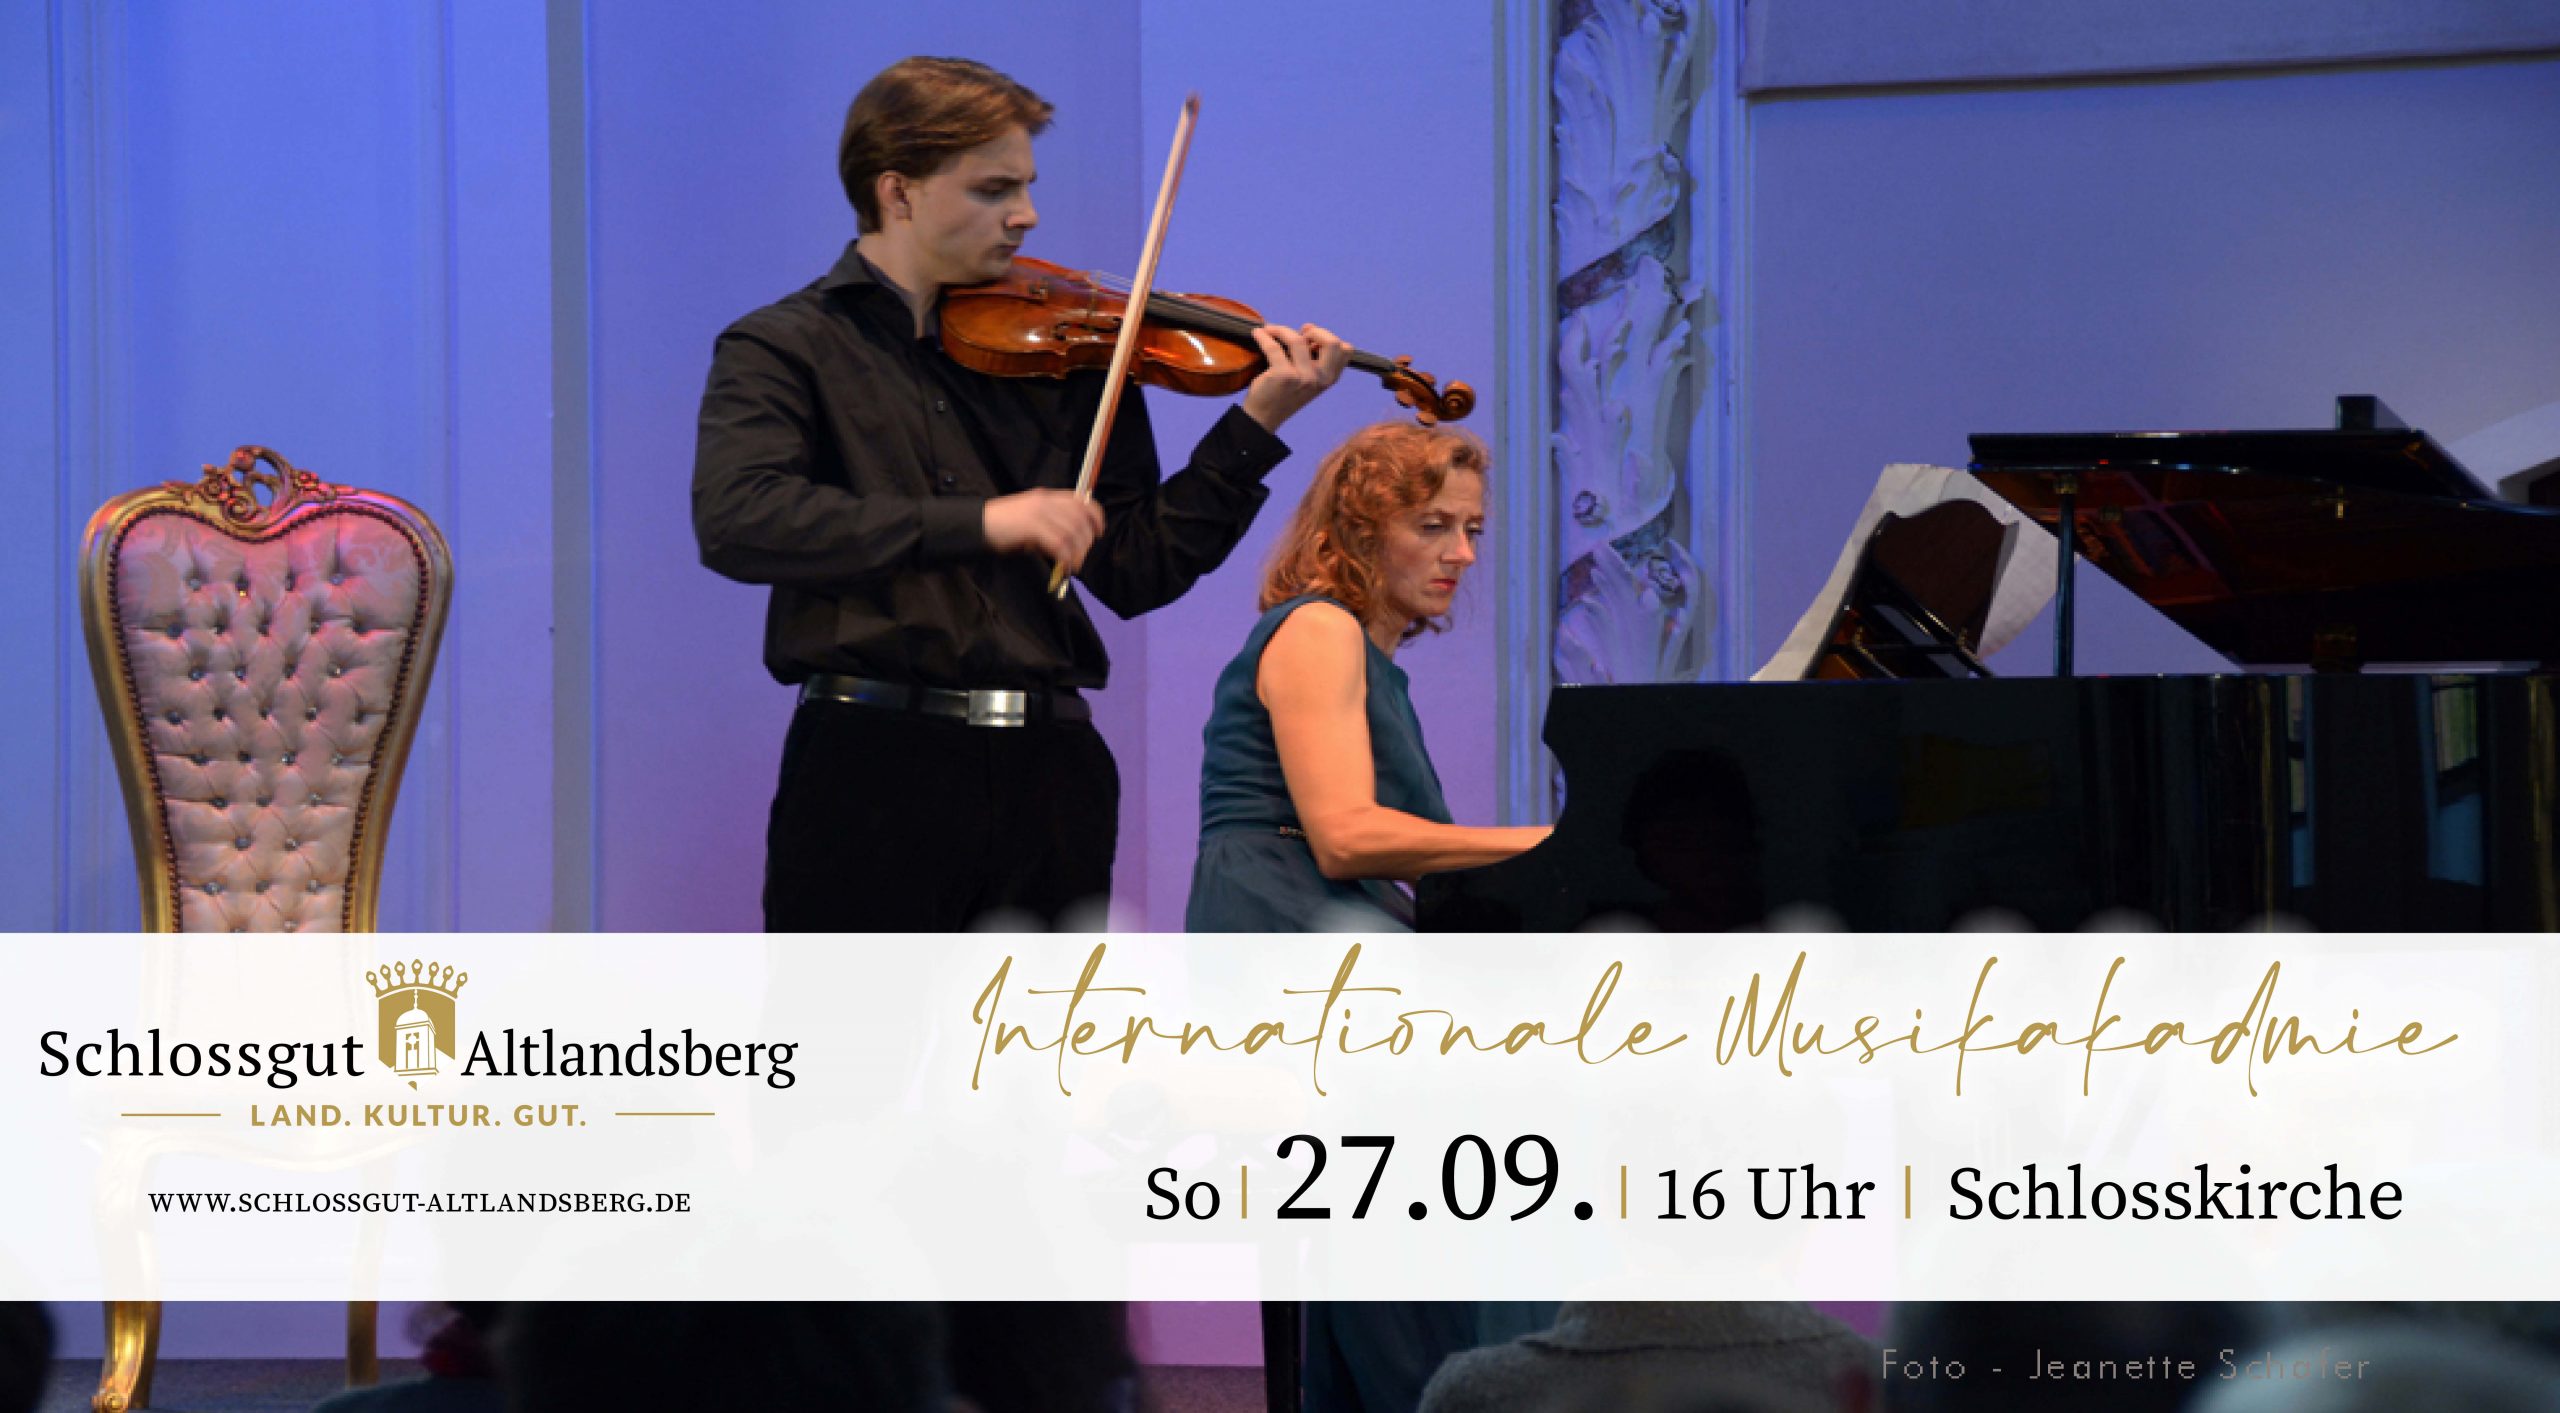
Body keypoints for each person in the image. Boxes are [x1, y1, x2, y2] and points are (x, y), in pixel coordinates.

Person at [693, 56, 1348, 931]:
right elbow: (741, 519)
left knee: (1039, 1028)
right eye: (993, 189)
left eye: (1028, 186)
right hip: (869, 767)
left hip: (1053, 773)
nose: (1027, 214)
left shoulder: (1069, 351)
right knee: (854, 1024)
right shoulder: (783, 346)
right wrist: (985, 521)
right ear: (898, 192)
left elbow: (1137, 569)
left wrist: (1255, 426)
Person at [1186, 422, 1548, 931]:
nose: (1463, 554)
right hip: (1280, 907)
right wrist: (1551, 842)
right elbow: (1346, 839)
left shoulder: (1374, 666)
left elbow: (1430, 865)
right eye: (1433, 526)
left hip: (1333, 905)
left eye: (1472, 530)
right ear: (1361, 534)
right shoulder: (1319, 627)